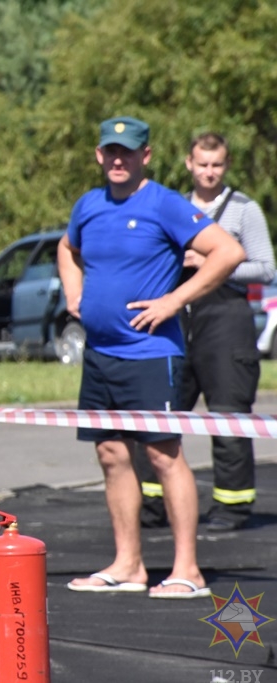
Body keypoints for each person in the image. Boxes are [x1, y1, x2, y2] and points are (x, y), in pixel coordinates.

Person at [58, 117, 244, 598]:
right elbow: (66, 247)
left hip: (150, 353)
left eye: (129, 151)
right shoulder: (88, 205)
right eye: (111, 151)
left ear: (146, 155)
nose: (119, 159)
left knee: (163, 456)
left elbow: (228, 252)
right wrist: (73, 290)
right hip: (100, 355)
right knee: (112, 455)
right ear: (100, 155)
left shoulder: (164, 203)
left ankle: (188, 571)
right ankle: (129, 565)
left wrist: (173, 301)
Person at [136, 132, 275, 533]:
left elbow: (266, 268)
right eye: (202, 164)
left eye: (216, 165)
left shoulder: (244, 210)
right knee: (158, 414)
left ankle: (232, 507)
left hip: (226, 320)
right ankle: (152, 504)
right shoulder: (172, 206)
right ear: (189, 164)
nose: (209, 172)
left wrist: (210, 262)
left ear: (225, 166)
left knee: (229, 417)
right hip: (177, 318)